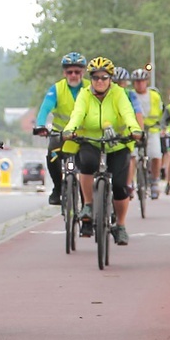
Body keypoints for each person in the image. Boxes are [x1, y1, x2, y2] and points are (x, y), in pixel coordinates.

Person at [61, 56, 142, 245]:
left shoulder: (119, 93)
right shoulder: (84, 94)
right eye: (95, 77)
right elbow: (78, 114)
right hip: (91, 141)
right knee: (87, 163)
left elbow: (128, 113)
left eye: (104, 77)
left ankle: (120, 226)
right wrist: (69, 129)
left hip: (118, 142)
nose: (99, 81)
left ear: (110, 79)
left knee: (121, 187)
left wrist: (135, 129)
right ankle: (88, 205)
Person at [33, 52, 90, 205]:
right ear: (64, 72)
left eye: (77, 72)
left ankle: (89, 200)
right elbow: (45, 109)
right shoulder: (57, 89)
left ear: (83, 72)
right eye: (69, 72)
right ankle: (58, 188)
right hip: (61, 135)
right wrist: (40, 125)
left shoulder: (90, 89)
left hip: (84, 136)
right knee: (52, 156)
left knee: (90, 164)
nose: (73, 75)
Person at [130, 68, 163, 199]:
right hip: (134, 131)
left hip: (152, 130)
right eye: (137, 81)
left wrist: (160, 124)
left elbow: (161, 111)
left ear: (147, 82)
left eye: (142, 81)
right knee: (131, 157)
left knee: (155, 155)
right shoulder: (130, 95)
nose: (140, 84)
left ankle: (154, 181)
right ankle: (130, 184)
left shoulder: (154, 95)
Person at [112, 66, 143, 198]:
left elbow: (138, 114)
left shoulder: (130, 95)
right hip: (107, 133)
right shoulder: (107, 94)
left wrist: (139, 132)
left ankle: (128, 184)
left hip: (126, 134)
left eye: (122, 83)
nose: (119, 86)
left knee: (131, 156)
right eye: (116, 83)